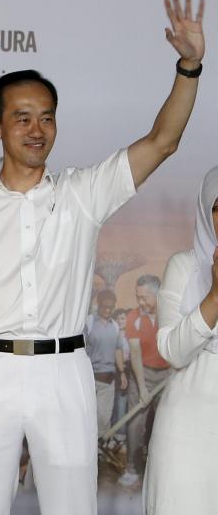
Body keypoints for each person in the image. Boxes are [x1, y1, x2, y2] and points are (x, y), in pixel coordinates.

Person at [0, 0, 205, 514]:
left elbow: (163, 141)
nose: (37, 130)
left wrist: (189, 65)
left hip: (65, 372)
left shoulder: (83, 194)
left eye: (47, 118)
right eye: (23, 118)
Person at [144, 166, 218, 512]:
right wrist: (215, 295)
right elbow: (173, 352)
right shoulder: (184, 267)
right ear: (206, 211)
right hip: (186, 432)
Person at [119, 273, 170, 486]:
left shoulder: (171, 313)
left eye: (144, 297)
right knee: (135, 423)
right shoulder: (133, 317)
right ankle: (132, 468)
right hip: (142, 374)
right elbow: (135, 353)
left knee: (166, 422)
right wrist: (142, 389)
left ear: (158, 295)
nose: (140, 302)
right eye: (137, 297)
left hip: (169, 374)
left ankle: (162, 469)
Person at [83, 289, 128, 436]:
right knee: (86, 418)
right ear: (99, 304)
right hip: (89, 379)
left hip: (107, 381)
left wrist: (122, 373)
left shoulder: (115, 326)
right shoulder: (89, 323)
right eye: (105, 306)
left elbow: (118, 350)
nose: (108, 310)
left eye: (111, 307)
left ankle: (100, 454)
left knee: (103, 420)